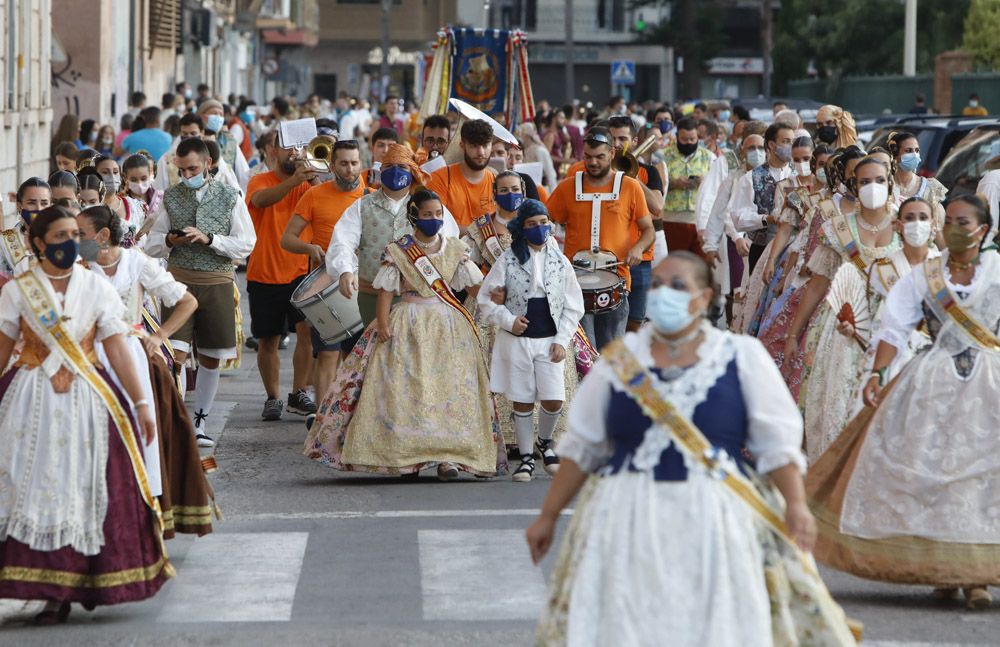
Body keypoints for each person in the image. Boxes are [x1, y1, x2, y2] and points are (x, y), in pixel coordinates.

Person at [527, 252, 828, 645]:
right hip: (626, 516)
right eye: (658, 286)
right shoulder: (617, 362)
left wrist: (796, 506)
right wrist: (547, 517)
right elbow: (583, 448)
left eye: (678, 286)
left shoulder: (741, 358)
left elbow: (776, 444)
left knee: (711, 623)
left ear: (704, 299)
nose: (664, 294)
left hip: (715, 518)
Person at [809, 194, 1000, 610]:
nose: (955, 228)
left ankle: (978, 577)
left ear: (983, 231)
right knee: (930, 473)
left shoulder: (998, 273)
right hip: (932, 384)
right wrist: (877, 372)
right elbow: (894, 328)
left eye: (964, 222)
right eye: (948, 220)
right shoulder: (924, 275)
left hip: (990, 386)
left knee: (982, 480)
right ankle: (942, 570)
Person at [0, 206, 172, 623]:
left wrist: (142, 404)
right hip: (30, 399)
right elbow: (3, 352)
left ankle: (86, 580)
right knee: (32, 484)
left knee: (86, 486)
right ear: (37, 243)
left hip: (90, 400)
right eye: (58, 236)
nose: (68, 243)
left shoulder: (96, 288)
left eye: (72, 235)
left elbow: (116, 347)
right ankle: (47, 589)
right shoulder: (18, 291)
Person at [304, 190, 503, 480]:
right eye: (427, 215)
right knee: (407, 388)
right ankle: (408, 458)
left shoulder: (455, 249)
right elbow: (387, 291)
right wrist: (382, 324)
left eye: (437, 215)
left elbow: (474, 287)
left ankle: (450, 458)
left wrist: (495, 298)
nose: (433, 220)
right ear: (414, 216)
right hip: (407, 321)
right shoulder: (400, 250)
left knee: (450, 389)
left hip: (448, 325)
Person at [77, 205, 215, 537]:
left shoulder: (136, 262)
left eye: (80, 235)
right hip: (89, 359)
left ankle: (144, 509)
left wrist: (159, 336)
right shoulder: (78, 268)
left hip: (132, 357)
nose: (75, 241)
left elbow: (187, 301)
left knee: (142, 433)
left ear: (103, 236)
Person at [783, 157, 901, 462]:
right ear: (853, 186)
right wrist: (793, 334)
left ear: (890, 184)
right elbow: (819, 284)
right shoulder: (838, 229)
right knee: (836, 406)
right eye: (864, 182)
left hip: (892, 329)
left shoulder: (907, 224)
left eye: (879, 180)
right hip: (841, 333)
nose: (872, 187)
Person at [144, 137, 257, 447]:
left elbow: (247, 242)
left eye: (192, 168)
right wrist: (169, 240)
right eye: (181, 170)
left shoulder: (231, 196)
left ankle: (200, 421)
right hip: (178, 285)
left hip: (217, 282)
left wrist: (210, 239)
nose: (186, 175)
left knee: (210, 357)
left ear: (208, 164)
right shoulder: (170, 197)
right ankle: (176, 419)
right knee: (175, 354)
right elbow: (151, 243)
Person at [477, 199, 585, 482]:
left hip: (549, 338)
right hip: (518, 339)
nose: (539, 228)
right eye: (532, 224)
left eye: (543, 223)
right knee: (522, 397)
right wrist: (508, 320)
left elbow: (574, 304)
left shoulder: (560, 260)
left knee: (553, 398)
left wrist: (562, 340)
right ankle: (525, 458)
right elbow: (485, 300)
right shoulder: (507, 259)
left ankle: (545, 442)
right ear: (521, 228)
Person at [327, 143, 460, 329]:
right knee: (376, 352)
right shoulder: (362, 206)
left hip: (420, 299)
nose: (396, 171)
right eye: (389, 167)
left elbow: (450, 242)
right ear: (381, 170)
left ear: (412, 171)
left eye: (402, 167)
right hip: (372, 296)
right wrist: (344, 271)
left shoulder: (428, 205)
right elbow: (342, 241)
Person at [546, 127, 655, 350]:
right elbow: (547, 220)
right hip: (575, 280)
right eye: (588, 157)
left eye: (600, 157)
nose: (593, 162)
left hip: (616, 278)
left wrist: (638, 248)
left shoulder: (630, 186)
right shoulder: (567, 187)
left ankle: (614, 385)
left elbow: (649, 231)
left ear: (612, 154)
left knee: (612, 353)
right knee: (581, 353)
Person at [283, 138, 368, 398]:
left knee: (356, 357)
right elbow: (287, 239)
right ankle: (321, 422)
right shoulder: (314, 195)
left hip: (361, 285)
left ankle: (348, 419)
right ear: (331, 165)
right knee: (328, 354)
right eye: (343, 163)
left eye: (354, 163)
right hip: (325, 283)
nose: (349, 169)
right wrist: (310, 249)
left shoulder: (371, 198)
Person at [245, 132, 319, 421]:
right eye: (289, 147)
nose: (295, 153)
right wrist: (295, 180)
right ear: (273, 151)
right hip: (265, 271)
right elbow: (262, 201)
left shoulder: (309, 183)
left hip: (303, 271)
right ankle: (273, 396)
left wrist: (312, 180)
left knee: (306, 333)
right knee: (268, 340)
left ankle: (299, 392)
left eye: (300, 147)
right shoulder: (259, 180)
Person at [700, 131, 765, 325]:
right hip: (735, 243)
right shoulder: (734, 178)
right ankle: (732, 327)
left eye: (761, 148)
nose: (757, 152)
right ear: (742, 152)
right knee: (735, 289)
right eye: (751, 148)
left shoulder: (777, 176)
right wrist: (711, 245)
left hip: (764, 241)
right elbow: (721, 212)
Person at [426, 119, 497, 229]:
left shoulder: (497, 181)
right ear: (462, 145)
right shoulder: (439, 178)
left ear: (491, 145)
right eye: (474, 145)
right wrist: (482, 233)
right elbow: (438, 226)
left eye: (485, 145)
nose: (481, 152)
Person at [661, 117, 714, 255]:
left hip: (701, 220)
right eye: (684, 139)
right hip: (671, 219)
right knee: (675, 262)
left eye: (692, 139)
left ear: (698, 137)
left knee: (699, 266)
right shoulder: (663, 156)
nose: (689, 143)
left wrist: (704, 182)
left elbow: (718, 187)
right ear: (677, 136)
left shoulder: (708, 157)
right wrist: (672, 183)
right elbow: (655, 184)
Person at [886, 130, 948, 229]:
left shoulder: (930, 187)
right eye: (908, 151)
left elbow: (940, 225)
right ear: (896, 155)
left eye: (917, 150)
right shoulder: (885, 187)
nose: (914, 155)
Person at [1, 178, 51, 277]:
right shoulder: (5, 241)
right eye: (31, 203)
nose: (39, 209)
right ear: (19, 206)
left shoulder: (62, 236)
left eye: (44, 203)